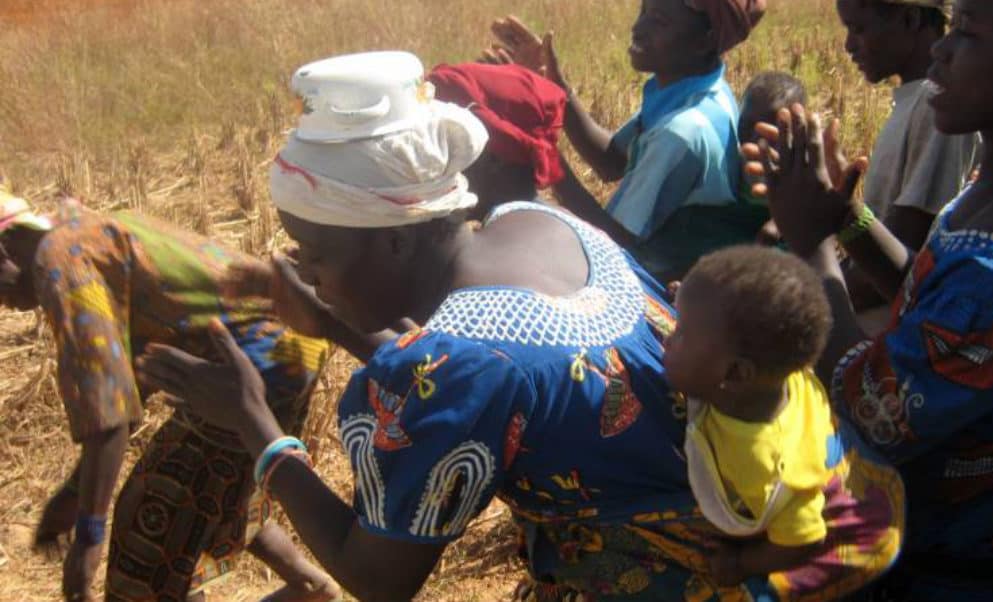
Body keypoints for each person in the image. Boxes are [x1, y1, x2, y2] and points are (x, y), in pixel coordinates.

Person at [137, 50, 904, 602]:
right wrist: (339, 327)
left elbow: (376, 577)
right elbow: (514, 359)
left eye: (315, 253)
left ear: (397, 240)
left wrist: (252, 423)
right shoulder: (534, 221)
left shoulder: (456, 367)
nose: (305, 272)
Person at [745, 0, 993, 598]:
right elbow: (930, 301)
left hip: (961, 561)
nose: (938, 50)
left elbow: (872, 407)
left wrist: (810, 245)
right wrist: (848, 220)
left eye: (968, 34)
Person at [0, 183, 337, 601]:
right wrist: (73, 495)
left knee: (147, 528)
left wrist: (88, 538)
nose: (2, 302)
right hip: (285, 349)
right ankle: (310, 587)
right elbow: (128, 382)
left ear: (7, 245)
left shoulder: (59, 258)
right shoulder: (84, 231)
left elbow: (108, 416)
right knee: (209, 495)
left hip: (253, 367)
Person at [665, 245, 903, 596]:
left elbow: (803, 539)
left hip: (849, 537)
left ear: (734, 373)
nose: (669, 336)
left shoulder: (761, 462)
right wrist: (696, 313)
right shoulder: (772, 371)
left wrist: (742, 563)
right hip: (854, 471)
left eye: (681, 332)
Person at [484, 0, 769, 283]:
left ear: (704, 40)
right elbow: (610, 162)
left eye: (658, 21)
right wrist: (553, 83)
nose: (637, 28)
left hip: (651, 283)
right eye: (643, 11)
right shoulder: (699, 90)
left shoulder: (682, 132)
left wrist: (539, 144)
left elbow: (613, 244)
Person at [836, 0, 981, 325]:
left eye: (858, 29)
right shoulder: (915, 102)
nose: (848, 45)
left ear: (911, 19)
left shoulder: (935, 108)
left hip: (889, 339)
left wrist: (811, 295)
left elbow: (900, 257)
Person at [428, 61, 568, 220]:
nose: (434, 160)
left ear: (494, 158)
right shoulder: (558, 226)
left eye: (448, 146)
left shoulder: (510, 240)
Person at [735, 72, 807, 246]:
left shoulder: (802, 170)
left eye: (768, 130)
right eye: (746, 125)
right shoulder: (730, 158)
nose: (755, 139)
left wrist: (776, 226)